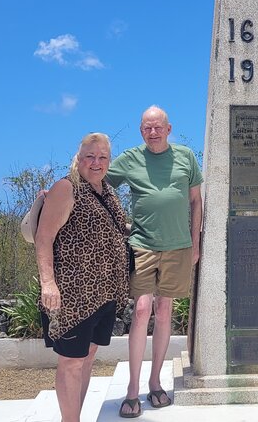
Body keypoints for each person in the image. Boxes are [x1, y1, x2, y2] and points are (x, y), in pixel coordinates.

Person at [106, 105, 203, 418]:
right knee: (142, 310)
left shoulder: (186, 156)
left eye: (158, 127)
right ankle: (132, 389)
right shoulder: (130, 158)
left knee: (164, 312)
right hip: (142, 245)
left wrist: (196, 243)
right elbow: (99, 181)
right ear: (141, 130)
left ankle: (155, 381)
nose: (153, 132)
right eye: (147, 127)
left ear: (169, 128)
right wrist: (62, 190)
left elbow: (196, 201)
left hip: (179, 247)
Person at [35, 132, 129, 422]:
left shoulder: (108, 192)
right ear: (79, 158)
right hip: (74, 296)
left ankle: (75, 416)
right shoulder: (67, 188)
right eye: (90, 156)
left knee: (87, 358)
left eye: (102, 157)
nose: (96, 162)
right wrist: (48, 283)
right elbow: (44, 238)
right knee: (72, 362)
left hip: (104, 293)